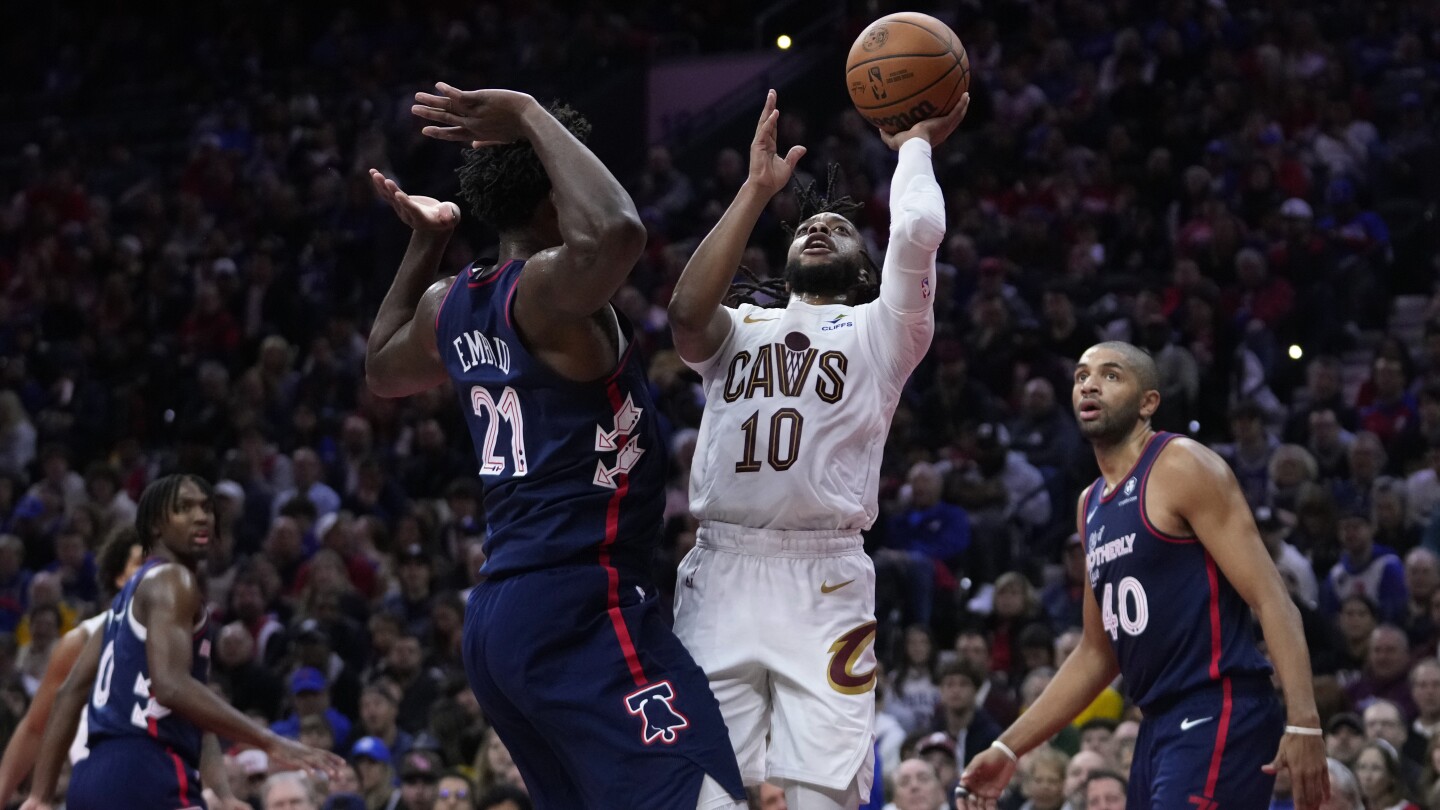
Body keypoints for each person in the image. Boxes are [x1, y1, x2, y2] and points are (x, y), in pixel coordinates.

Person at [366, 84, 744, 809]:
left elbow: (382, 367)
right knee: (704, 796)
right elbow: (619, 233)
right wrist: (531, 114)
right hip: (579, 599)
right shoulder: (547, 292)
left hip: (502, 617)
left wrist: (428, 239)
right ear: (554, 194)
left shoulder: (452, 301)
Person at [666, 88, 968, 810]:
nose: (820, 228)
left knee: (822, 796)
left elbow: (920, 228)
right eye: (808, 226)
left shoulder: (884, 331)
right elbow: (683, 314)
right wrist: (753, 191)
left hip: (824, 578)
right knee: (703, 788)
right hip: (722, 565)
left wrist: (915, 145)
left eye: (839, 227)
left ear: (866, 269)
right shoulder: (738, 326)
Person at [958, 342, 1329, 808]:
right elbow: (1097, 652)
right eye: (1080, 376)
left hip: (1218, 706)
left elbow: (1272, 598)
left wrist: (1304, 720)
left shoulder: (1181, 465)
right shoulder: (1089, 504)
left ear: (1148, 403)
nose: (1089, 384)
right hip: (1156, 724)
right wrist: (1009, 746)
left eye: (1111, 375)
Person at [20, 474, 341, 810]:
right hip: (147, 769)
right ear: (156, 526)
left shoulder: (123, 603)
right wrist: (269, 741)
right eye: (184, 508)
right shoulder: (175, 580)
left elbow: (70, 691)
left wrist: (40, 795)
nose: (201, 516)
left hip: (92, 778)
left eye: (206, 507)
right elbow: (171, 686)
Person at [0, 527, 142, 800]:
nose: (153, 574)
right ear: (119, 576)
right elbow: (34, 727)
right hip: (101, 790)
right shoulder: (83, 639)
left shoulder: (188, 637)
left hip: (170, 787)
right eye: (141, 564)